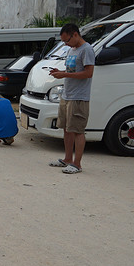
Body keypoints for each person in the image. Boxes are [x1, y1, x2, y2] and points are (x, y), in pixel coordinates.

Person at [48, 23, 95, 174]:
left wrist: (65, 74)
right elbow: (72, 71)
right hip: (67, 95)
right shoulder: (71, 50)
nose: (65, 44)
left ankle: (77, 164)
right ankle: (67, 159)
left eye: (67, 40)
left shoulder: (86, 49)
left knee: (77, 130)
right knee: (67, 129)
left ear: (75, 34)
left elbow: (88, 73)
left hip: (79, 97)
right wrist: (60, 72)